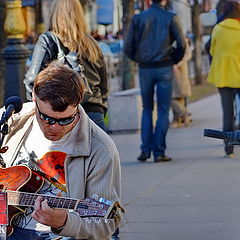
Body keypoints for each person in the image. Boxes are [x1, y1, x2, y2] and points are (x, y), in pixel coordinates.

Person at [0, 62, 123, 240]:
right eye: (46, 118)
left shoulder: (101, 150)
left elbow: (106, 223)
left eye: (65, 120)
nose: (55, 127)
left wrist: (64, 221)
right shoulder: (13, 120)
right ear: (34, 99)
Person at [23, 0, 108, 132]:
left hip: (60, 117)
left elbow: (31, 83)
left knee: (58, 154)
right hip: (94, 114)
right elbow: (103, 86)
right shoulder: (92, 44)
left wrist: (43, 114)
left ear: (54, 14)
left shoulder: (48, 40)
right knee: (97, 152)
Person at [124, 0, 186, 163]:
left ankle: (145, 150)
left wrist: (139, 59)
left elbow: (128, 47)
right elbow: (182, 44)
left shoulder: (138, 19)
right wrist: (174, 59)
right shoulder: (171, 17)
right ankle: (159, 152)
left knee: (147, 108)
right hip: (164, 66)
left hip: (145, 68)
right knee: (164, 109)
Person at [207, 0, 240, 158]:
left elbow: (213, 51)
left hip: (223, 75)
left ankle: (229, 149)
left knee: (228, 113)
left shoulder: (218, 29)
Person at [170, 37, 193, 128]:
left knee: (175, 96)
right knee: (175, 96)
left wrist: (177, 64)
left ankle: (183, 115)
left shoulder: (183, 40)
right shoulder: (169, 39)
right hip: (172, 72)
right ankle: (179, 118)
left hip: (180, 72)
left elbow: (188, 55)